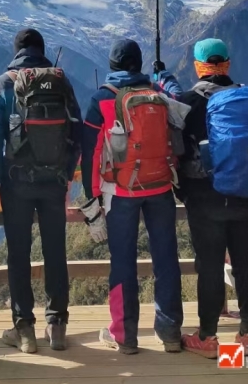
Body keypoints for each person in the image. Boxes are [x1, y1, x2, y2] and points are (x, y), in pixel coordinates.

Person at [175, 38, 248, 359]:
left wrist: (181, 188)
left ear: (198, 66)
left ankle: (208, 338)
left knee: (209, 266)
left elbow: (175, 147)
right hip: (244, 192)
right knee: (246, 263)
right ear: (226, 64)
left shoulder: (187, 102)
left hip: (203, 197)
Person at [80, 39, 187, 355]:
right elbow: (182, 105)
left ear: (112, 66)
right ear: (139, 64)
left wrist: (92, 201)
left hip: (121, 193)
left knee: (122, 262)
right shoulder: (160, 95)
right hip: (161, 187)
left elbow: (90, 153)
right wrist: (164, 75)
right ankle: (169, 332)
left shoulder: (102, 99)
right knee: (166, 258)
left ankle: (124, 335)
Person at [0, 28, 83, 353]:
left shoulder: (2, 84)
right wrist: (67, 173)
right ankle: (57, 326)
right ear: (42, 50)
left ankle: (24, 329)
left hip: (17, 182)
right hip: (53, 181)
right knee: (56, 251)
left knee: (18, 255)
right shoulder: (61, 81)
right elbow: (77, 130)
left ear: (15, 51)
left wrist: (0, 179)